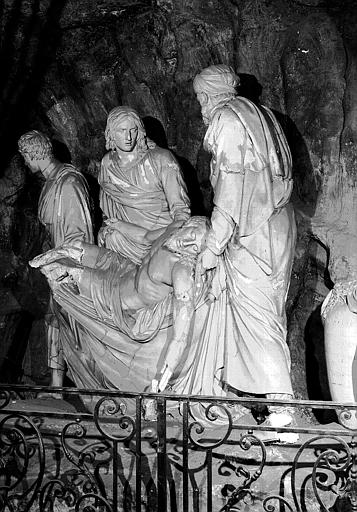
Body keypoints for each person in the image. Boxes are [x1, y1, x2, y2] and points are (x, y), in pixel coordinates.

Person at [192, 64, 297, 433]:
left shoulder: (227, 119)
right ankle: (256, 400)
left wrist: (211, 247)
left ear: (208, 96)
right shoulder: (263, 115)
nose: (200, 106)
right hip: (279, 223)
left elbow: (230, 192)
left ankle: (283, 413)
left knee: (259, 320)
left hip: (253, 232)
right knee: (267, 316)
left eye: (200, 98)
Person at [29, 216, 210, 394]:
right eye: (191, 233)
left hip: (116, 297)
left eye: (195, 247)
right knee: (74, 247)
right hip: (123, 268)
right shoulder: (175, 228)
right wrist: (121, 226)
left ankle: (70, 369)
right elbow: (147, 236)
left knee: (59, 275)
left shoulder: (182, 270)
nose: (187, 244)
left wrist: (165, 374)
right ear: (188, 224)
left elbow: (180, 335)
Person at [18, 130, 94, 390]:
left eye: (26, 156)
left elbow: (78, 232)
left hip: (68, 265)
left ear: (34, 154)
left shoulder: (69, 182)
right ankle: (57, 386)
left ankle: (85, 385)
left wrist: (60, 259)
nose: (25, 163)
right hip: (54, 263)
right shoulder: (50, 182)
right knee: (54, 321)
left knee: (72, 324)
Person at [98, 106, 191, 264]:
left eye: (133, 130)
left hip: (160, 238)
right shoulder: (108, 164)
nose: (128, 137)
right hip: (126, 237)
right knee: (111, 238)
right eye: (121, 130)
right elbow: (108, 211)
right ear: (111, 133)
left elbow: (181, 212)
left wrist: (162, 236)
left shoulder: (162, 159)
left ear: (139, 131)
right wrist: (104, 227)